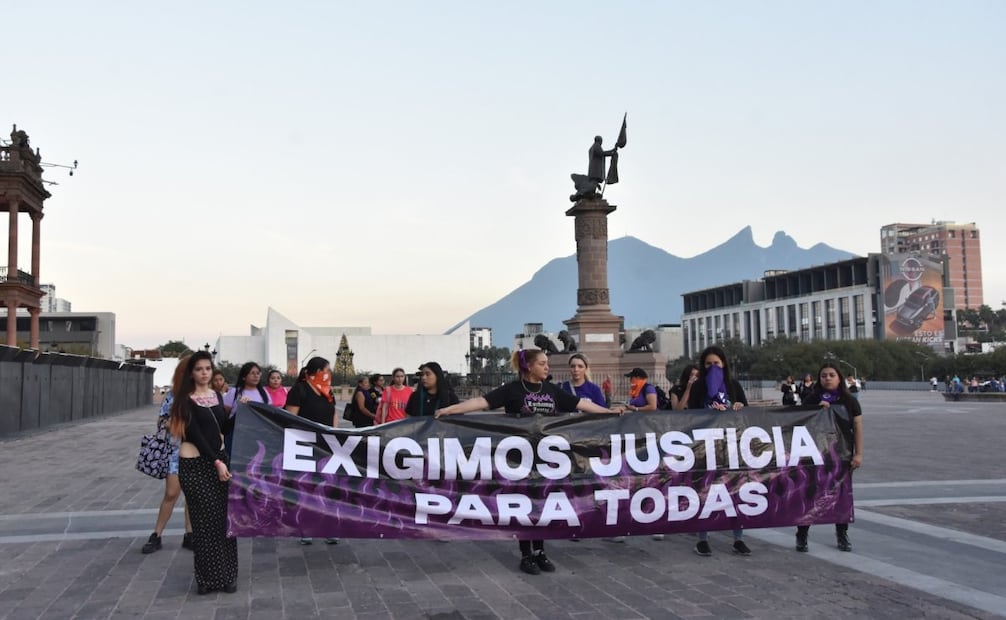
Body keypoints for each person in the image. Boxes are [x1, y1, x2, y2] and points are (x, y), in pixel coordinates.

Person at [435, 349, 622, 575]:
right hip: (519, 460)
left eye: (547, 363)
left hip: (546, 459)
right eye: (542, 363)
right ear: (529, 366)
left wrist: (609, 412)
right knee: (524, 505)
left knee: (542, 504)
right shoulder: (513, 389)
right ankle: (526, 554)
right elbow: (481, 402)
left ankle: (540, 551)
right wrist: (450, 410)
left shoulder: (551, 390)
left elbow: (582, 404)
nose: (547, 367)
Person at [167, 351, 238, 595]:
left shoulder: (216, 396)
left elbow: (223, 428)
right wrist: (216, 461)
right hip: (196, 465)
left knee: (224, 519)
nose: (204, 373)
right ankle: (206, 578)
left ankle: (228, 575)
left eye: (208, 368)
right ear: (191, 373)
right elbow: (195, 435)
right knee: (204, 521)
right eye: (199, 369)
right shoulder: (185, 401)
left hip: (219, 462)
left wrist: (240, 411)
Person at [686, 345, 751, 556]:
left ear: (723, 364)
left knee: (735, 490)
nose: (712, 367)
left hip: (731, 445)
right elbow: (691, 415)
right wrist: (709, 412)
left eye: (716, 363)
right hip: (706, 446)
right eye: (708, 364)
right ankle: (703, 539)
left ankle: (738, 538)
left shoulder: (733, 385)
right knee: (706, 491)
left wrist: (738, 407)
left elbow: (746, 411)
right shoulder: (699, 387)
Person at [795, 362, 864, 553]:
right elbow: (799, 423)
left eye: (832, 375)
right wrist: (816, 411)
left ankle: (842, 534)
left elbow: (857, 427)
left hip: (841, 455)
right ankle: (802, 534)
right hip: (816, 455)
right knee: (810, 494)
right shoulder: (811, 398)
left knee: (841, 495)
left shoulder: (850, 401)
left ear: (839, 378)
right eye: (824, 375)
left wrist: (858, 453)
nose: (827, 378)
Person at [141, 356, 194, 554]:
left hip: (198, 451)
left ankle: (190, 534)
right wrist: (181, 424)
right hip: (176, 450)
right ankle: (157, 534)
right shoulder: (174, 395)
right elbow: (162, 421)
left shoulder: (205, 394)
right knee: (171, 493)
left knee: (192, 496)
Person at [284, 356, 339, 546]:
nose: (328, 373)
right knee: (306, 488)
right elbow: (291, 419)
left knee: (328, 487)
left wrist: (334, 434)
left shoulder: (327, 390)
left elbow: (333, 414)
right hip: (304, 447)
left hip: (326, 446)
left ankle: (328, 527)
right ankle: (305, 527)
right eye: (326, 370)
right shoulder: (299, 390)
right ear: (316, 372)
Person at [222, 362, 270, 456]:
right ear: (244, 377)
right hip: (236, 434)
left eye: (258, 373)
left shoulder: (264, 393)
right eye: (252, 373)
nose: (256, 376)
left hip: (258, 434)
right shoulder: (234, 392)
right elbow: (226, 413)